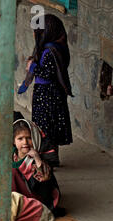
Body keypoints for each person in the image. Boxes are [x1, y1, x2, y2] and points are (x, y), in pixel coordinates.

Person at [0, 118, 63, 216]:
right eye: (20, 139)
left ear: (35, 138)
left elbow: (43, 190)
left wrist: (37, 159)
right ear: (13, 141)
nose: (25, 142)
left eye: (29, 138)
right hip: (11, 195)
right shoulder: (9, 154)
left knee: (12, 172)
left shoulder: (39, 160)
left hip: (31, 198)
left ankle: (10, 209)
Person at [18, 14, 73, 166]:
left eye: (38, 31)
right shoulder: (56, 47)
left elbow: (48, 73)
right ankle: (50, 157)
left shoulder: (51, 51)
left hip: (48, 93)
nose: (36, 35)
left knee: (46, 126)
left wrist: (32, 66)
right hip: (49, 92)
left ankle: (49, 159)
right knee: (49, 125)